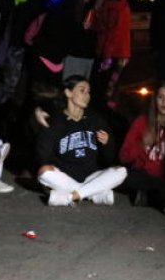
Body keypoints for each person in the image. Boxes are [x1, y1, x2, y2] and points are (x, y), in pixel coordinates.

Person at [34, 75, 127, 206]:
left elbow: (108, 158)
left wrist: (107, 143)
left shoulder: (95, 119)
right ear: (68, 92)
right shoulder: (56, 120)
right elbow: (43, 157)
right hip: (66, 176)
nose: (87, 95)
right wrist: (45, 129)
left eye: (88, 92)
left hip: (91, 175)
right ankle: (95, 194)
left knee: (121, 171)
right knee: (44, 171)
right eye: (82, 90)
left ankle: (71, 197)